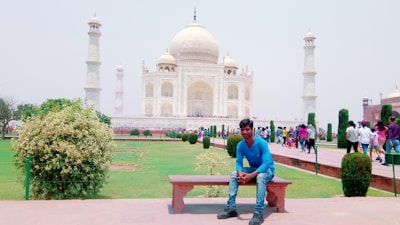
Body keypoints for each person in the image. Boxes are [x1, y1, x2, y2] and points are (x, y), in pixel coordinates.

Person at [217, 118, 275, 225]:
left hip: (267, 170)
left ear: (252, 130)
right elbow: (239, 163)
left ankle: (258, 213)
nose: (244, 132)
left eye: (247, 129)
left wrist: (250, 176)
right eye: (242, 130)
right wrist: (240, 174)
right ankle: (231, 208)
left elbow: (266, 163)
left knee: (261, 176)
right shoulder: (241, 145)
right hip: (253, 169)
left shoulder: (261, 143)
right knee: (234, 174)